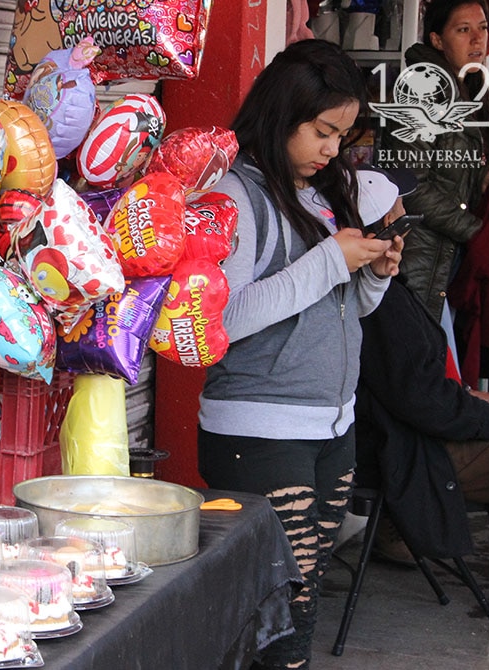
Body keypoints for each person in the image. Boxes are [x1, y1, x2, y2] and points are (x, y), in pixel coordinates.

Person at [197, 39, 404, 670]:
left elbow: (345, 312)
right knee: (283, 604)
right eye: (322, 131)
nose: (332, 150)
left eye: (342, 135)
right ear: (284, 113)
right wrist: (328, 262)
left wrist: (373, 274)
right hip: (259, 430)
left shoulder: (318, 192)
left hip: (328, 423)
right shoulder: (236, 197)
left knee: (299, 602)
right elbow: (223, 318)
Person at [356, 278, 489, 667]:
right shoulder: (378, 297)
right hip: (404, 451)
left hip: (406, 435)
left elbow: (419, 388)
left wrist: (473, 398)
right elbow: (420, 400)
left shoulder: (383, 289)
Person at [380, 0, 489, 322]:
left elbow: (453, 173)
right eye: (463, 30)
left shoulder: (470, 89)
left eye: (482, 28)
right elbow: (412, 186)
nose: (477, 40)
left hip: (447, 258)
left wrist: (488, 175)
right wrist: (478, 232)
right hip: (419, 259)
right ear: (436, 39)